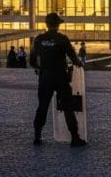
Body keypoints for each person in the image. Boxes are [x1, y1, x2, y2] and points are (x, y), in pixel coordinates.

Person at [30, 13, 86, 147]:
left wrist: (40, 68)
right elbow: (74, 58)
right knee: (67, 106)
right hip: (60, 76)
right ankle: (74, 137)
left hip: (45, 77)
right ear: (58, 25)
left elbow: (32, 61)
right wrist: (80, 64)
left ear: (47, 24)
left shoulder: (39, 39)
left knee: (42, 106)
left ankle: (37, 136)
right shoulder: (62, 39)